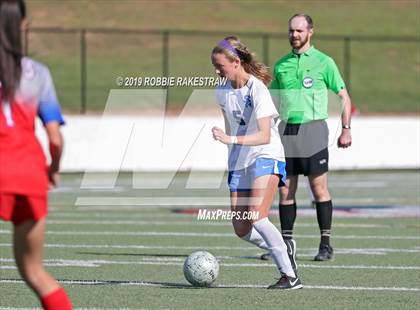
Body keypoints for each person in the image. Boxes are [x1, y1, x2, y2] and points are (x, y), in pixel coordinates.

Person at [211, 36, 302, 289]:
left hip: (266, 155)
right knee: (241, 227)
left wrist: (230, 138)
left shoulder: (257, 89)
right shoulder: (222, 91)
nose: (217, 71)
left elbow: (263, 135)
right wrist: (230, 148)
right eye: (214, 66)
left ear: (236, 62)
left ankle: (290, 276)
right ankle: (283, 247)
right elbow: (231, 127)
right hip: (240, 160)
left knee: (258, 216)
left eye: (220, 66)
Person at [0, 0, 73, 309]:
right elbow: (55, 139)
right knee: (35, 272)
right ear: (23, 26)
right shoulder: (39, 74)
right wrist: (53, 168)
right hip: (29, 173)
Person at [270, 13, 353, 262]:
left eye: (299, 31)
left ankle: (325, 245)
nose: (294, 35)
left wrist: (346, 128)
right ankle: (285, 245)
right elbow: (272, 100)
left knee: (319, 189)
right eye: (291, 31)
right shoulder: (281, 64)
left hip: (314, 130)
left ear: (310, 32)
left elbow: (344, 97)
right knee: (285, 192)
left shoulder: (324, 62)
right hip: (287, 132)